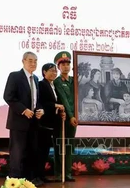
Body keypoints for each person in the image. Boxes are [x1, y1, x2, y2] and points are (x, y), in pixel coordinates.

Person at [3, 51, 44, 186]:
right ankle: (14, 182)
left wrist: (40, 110)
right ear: (23, 61)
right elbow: (8, 97)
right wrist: (23, 110)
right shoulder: (15, 76)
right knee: (17, 154)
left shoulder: (36, 79)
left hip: (33, 122)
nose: (33, 63)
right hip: (18, 122)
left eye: (35, 61)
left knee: (32, 152)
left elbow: (35, 100)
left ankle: (28, 180)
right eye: (30, 60)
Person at [37, 63, 66, 183]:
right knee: (40, 151)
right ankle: (37, 176)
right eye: (51, 71)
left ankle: (41, 176)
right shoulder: (41, 84)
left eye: (55, 71)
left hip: (51, 124)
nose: (54, 73)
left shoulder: (53, 85)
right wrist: (55, 105)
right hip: (43, 124)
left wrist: (60, 112)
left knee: (45, 151)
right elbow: (41, 102)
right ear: (44, 72)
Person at [53, 51, 78, 182]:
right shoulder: (57, 82)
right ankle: (59, 173)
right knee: (59, 146)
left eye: (68, 64)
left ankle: (67, 173)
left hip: (73, 119)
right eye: (63, 64)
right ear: (58, 67)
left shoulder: (74, 80)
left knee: (69, 145)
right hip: (62, 119)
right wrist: (70, 116)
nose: (66, 67)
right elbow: (64, 100)